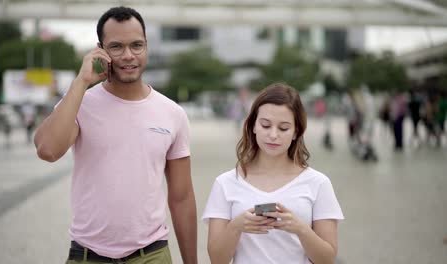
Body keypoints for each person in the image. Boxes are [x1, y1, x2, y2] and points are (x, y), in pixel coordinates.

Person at [34, 6, 197, 264]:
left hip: (151, 254)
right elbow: (47, 150)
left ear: (146, 46)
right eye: (116, 47)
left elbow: (182, 197)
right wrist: (81, 81)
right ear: (100, 49)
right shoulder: (80, 103)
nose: (128, 56)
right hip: (88, 255)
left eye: (136, 45)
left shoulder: (172, 113)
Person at [202, 83, 344, 264]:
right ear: (253, 126)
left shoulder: (318, 183)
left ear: (296, 132)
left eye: (283, 128)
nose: (273, 135)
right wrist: (236, 227)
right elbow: (217, 259)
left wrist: (301, 229)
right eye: (266, 125)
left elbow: (327, 260)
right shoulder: (225, 183)